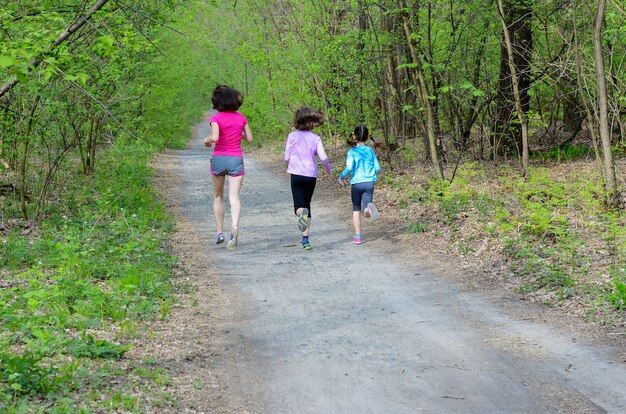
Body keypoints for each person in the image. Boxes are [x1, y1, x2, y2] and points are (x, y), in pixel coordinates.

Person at [203, 85, 253, 250]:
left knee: (218, 197)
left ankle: (219, 232)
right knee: (234, 197)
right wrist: (239, 133)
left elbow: (215, 137)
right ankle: (234, 228)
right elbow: (250, 139)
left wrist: (206, 140)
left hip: (219, 159)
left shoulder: (216, 118)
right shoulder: (241, 118)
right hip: (236, 159)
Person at [284, 107, 332, 250]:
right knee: (307, 205)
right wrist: (328, 170)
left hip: (296, 174)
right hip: (311, 175)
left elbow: (286, 157)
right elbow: (323, 157)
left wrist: (290, 162)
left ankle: (301, 214)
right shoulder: (316, 138)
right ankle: (305, 240)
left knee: (299, 207)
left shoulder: (292, 136)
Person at [338, 125, 380, 244]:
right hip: (369, 183)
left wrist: (341, 177)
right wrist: (371, 173)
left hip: (357, 183)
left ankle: (357, 237)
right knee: (366, 207)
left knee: (356, 209)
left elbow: (349, 167)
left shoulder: (352, 151)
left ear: (355, 136)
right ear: (367, 137)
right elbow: (377, 168)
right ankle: (367, 209)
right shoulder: (370, 150)